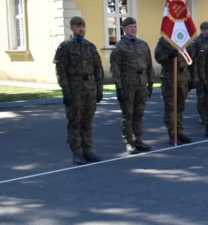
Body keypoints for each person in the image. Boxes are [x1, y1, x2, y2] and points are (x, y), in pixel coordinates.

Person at [53, 16, 104, 165]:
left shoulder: (90, 46)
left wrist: (99, 89)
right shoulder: (65, 47)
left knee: (87, 121)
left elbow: (98, 68)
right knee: (75, 122)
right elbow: (61, 71)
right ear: (72, 28)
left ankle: (87, 150)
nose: (81, 28)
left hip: (89, 89)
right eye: (78, 26)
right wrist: (66, 91)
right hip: (74, 90)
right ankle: (77, 152)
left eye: (83, 26)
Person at [109, 17, 154, 153]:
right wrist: (119, 87)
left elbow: (149, 64)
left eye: (134, 26)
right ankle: (129, 141)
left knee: (139, 113)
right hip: (128, 85)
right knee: (127, 115)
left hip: (141, 83)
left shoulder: (143, 44)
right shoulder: (119, 47)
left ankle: (138, 139)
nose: (133, 29)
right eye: (130, 27)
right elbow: (115, 68)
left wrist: (151, 82)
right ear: (124, 29)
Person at [154, 36, 192, 144]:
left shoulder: (183, 39)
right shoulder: (163, 42)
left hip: (183, 77)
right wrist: (169, 56)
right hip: (170, 77)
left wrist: (190, 78)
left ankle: (179, 131)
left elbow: (190, 58)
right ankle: (172, 133)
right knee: (171, 107)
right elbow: (158, 57)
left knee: (180, 106)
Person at [187, 21, 208, 123]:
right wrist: (193, 75)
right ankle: (202, 115)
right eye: (204, 29)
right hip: (199, 72)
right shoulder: (196, 42)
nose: (206, 31)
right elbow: (191, 58)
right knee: (201, 96)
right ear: (201, 30)